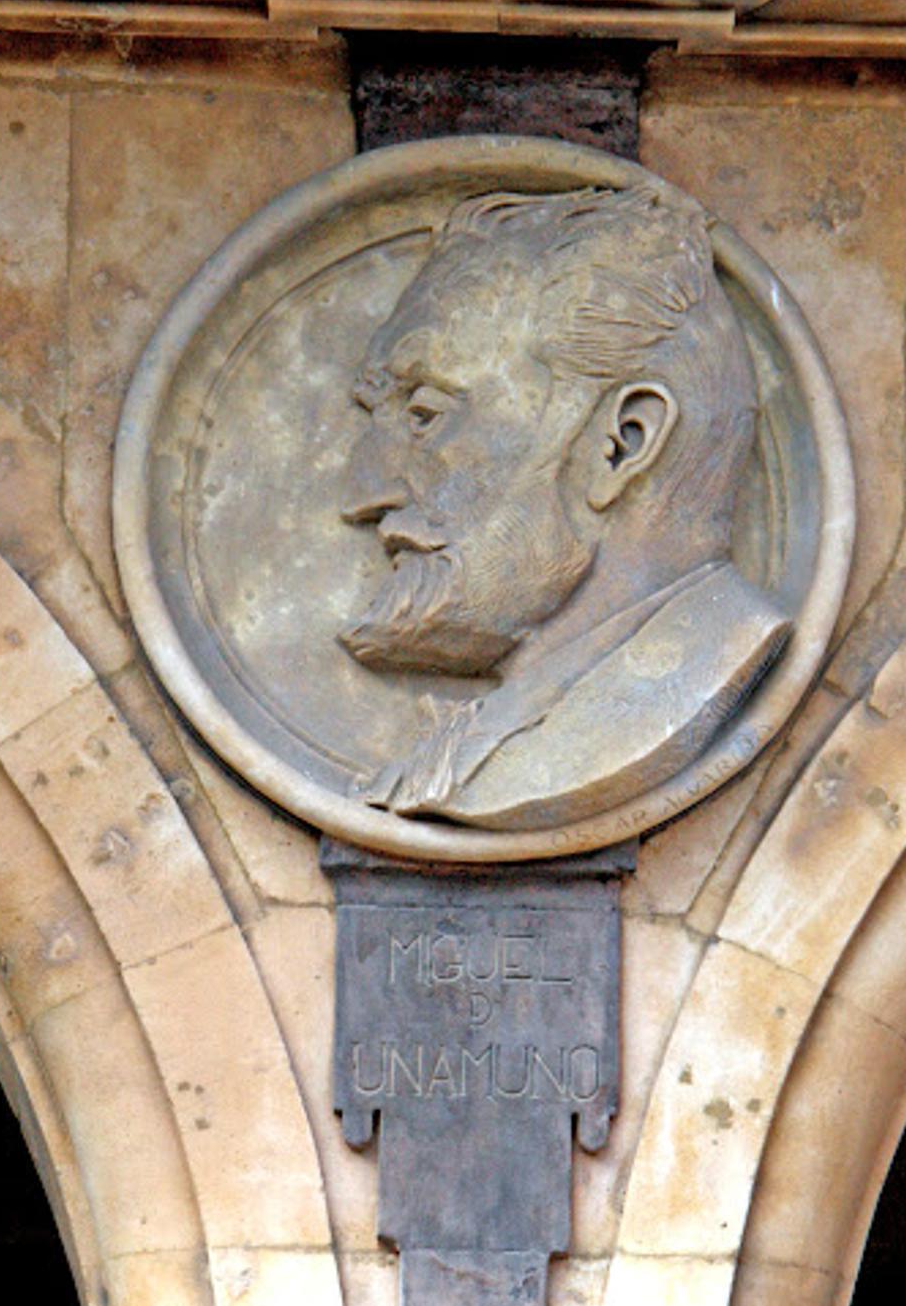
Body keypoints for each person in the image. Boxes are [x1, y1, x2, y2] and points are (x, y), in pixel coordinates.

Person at [337, 183, 791, 830]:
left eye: (424, 415)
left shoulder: (674, 690)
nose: (364, 495)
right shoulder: (493, 734)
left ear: (620, 444)